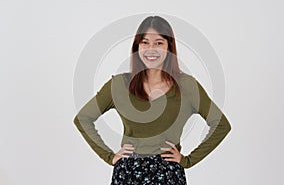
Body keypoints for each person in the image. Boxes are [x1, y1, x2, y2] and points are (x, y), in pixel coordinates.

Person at [73, 15, 231, 184]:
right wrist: (109, 156)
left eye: (159, 43)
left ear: (169, 47)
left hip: (168, 175)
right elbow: (83, 118)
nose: (151, 49)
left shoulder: (187, 86)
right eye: (145, 42)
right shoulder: (119, 85)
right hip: (128, 173)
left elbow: (221, 125)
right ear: (137, 46)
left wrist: (188, 160)